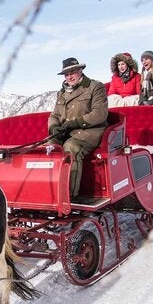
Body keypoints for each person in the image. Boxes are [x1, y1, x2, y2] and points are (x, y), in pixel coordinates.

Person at [47, 57, 108, 199]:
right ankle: (49, 192)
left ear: (80, 70)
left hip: (90, 131)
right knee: (50, 146)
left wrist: (75, 123)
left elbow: (100, 114)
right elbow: (54, 115)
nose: (69, 76)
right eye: (66, 74)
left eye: (72, 72)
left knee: (71, 147)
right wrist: (54, 127)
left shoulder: (95, 87)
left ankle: (68, 196)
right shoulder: (61, 93)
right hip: (67, 132)